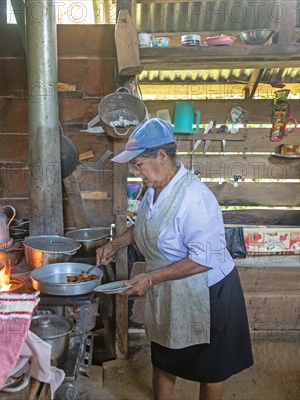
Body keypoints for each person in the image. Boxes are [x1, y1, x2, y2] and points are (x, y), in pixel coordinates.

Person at [96, 118, 253, 400]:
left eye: (138, 164)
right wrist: (116, 243)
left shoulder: (194, 198)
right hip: (170, 287)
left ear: (162, 156)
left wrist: (151, 277)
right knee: (165, 353)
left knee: (210, 365)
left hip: (209, 293)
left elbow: (205, 259)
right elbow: (145, 224)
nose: (136, 171)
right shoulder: (153, 189)